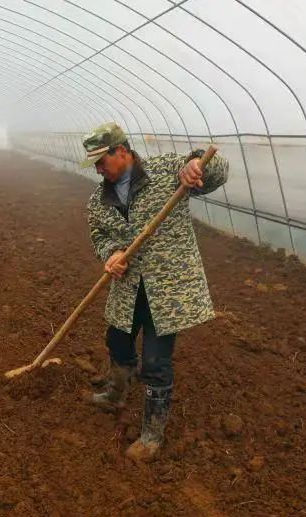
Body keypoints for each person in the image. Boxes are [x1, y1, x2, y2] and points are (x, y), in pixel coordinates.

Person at [81, 122, 229, 462]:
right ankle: (116, 394)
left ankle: (151, 433)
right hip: (128, 287)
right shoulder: (98, 198)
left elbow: (217, 172)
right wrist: (111, 254)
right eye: (95, 163)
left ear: (122, 151)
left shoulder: (168, 171)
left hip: (167, 291)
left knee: (155, 361)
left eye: (102, 160)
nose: (98, 168)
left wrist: (197, 164)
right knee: (117, 341)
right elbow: (99, 235)